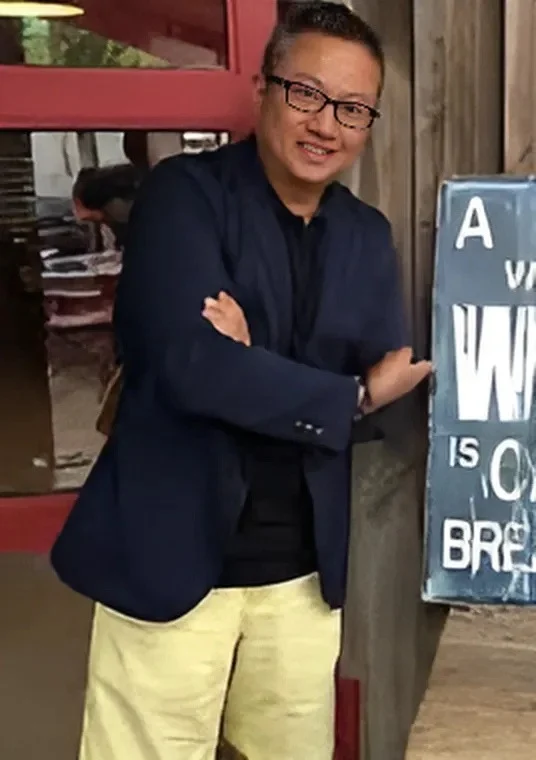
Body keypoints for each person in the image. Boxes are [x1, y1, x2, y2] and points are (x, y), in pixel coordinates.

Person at [51, 3, 431, 760]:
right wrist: (341, 392)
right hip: (171, 556)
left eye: (353, 108)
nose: (327, 124)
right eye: (307, 94)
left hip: (301, 576)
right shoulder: (183, 197)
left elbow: (384, 399)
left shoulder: (365, 235)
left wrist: (254, 359)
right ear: (263, 87)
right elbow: (192, 368)